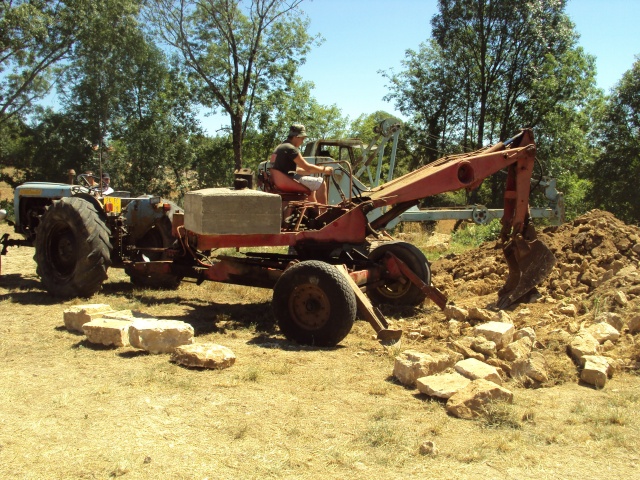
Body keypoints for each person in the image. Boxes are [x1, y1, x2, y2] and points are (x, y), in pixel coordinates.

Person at [270, 124, 333, 204]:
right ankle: (325, 214)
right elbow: (308, 167)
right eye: (302, 138)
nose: (302, 141)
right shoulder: (290, 149)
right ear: (297, 136)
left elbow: (294, 170)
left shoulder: (280, 147)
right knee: (321, 183)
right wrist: (325, 169)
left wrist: (310, 171)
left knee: (312, 187)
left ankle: (313, 212)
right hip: (288, 181)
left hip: (281, 181)